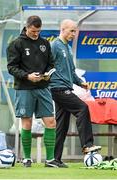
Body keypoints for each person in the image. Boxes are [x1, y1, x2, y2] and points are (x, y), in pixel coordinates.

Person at [6, 15, 61, 168]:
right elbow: (11, 67)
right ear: (27, 27)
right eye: (33, 31)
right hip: (24, 89)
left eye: (38, 31)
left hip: (42, 88)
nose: (36, 34)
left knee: (50, 122)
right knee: (27, 123)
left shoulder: (44, 44)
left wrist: (47, 74)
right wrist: (27, 76)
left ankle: (50, 160)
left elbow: (51, 64)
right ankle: (27, 158)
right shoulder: (16, 44)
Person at [50, 19, 101, 167]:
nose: (74, 33)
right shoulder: (54, 46)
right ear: (63, 29)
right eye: (71, 30)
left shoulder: (66, 48)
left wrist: (80, 82)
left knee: (62, 125)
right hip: (58, 88)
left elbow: (71, 71)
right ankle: (87, 144)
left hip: (65, 87)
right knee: (82, 108)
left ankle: (55, 159)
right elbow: (44, 64)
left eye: (75, 30)